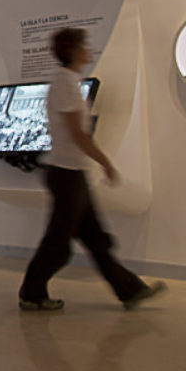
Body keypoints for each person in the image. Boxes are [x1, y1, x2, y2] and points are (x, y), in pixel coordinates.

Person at [19, 27, 166, 312]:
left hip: (71, 172)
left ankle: (130, 291)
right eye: (85, 45)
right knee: (58, 243)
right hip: (65, 173)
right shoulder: (65, 83)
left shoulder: (68, 81)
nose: (89, 49)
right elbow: (78, 134)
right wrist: (105, 161)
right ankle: (31, 293)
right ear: (73, 50)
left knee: (96, 239)